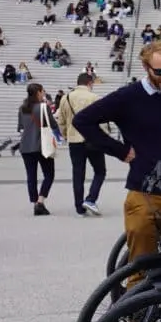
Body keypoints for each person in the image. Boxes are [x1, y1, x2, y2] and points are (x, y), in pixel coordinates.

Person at [75, 41, 161, 284]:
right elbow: (83, 120)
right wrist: (120, 150)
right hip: (144, 193)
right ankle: (139, 321)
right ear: (145, 67)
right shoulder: (128, 97)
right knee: (140, 271)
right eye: (160, 72)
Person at [55, 72, 107, 216]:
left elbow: (61, 121)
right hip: (92, 140)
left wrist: (66, 135)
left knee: (78, 173)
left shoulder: (66, 98)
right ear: (90, 83)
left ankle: (79, 206)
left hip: (74, 141)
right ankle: (91, 199)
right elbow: (101, 120)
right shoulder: (94, 97)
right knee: (100, 171)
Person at [17, 82, 62, 215]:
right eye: (43, 91)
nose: (44, 93)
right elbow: (53, 124)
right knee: (49, 174)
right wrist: (59, 135)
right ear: (38, 93)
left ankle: (34, 202)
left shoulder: (22, 108)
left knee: (31, 176)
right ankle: (40, 201)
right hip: (41, 146)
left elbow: (20, 126)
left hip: (25, 146)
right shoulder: (43, 107)